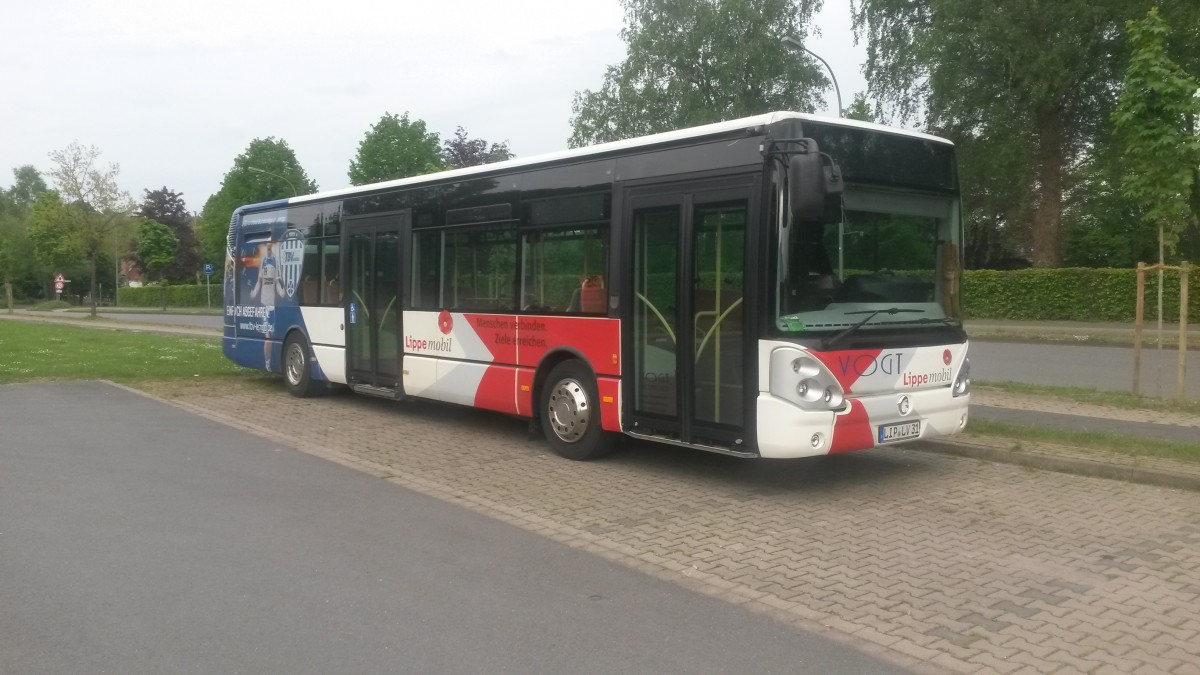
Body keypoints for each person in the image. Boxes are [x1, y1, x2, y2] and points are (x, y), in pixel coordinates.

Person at [251, 241, 279, 370]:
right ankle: (267, 363)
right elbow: (259, 281)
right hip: (264, 305)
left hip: (272, 305)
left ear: (271, 247)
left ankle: (269, 360)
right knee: (267, 336)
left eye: (270, 246)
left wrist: (282, 292)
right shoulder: (263, 261)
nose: (268, 249)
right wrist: (254, 292)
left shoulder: (275, 261)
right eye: (266, 247)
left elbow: (277, 282)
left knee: (272, 337)